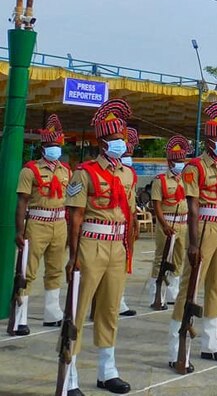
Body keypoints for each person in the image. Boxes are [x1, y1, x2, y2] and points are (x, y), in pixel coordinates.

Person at [64, 99, 136, 395]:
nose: (121, 143)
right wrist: (73, 256)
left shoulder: (128, 174)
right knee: (78, 311)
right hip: (91, 245)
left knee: (109, 310)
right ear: (102, 141)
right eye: (116, 139)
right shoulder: (84, 172)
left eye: (123, 138)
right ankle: (69, 375)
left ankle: (107, 371)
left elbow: (129, 214)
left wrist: (128, 249)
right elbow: (75, 217)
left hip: (116, 246)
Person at [168, 101, 217, 372]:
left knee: (216, 286)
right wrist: (195, 242)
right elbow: (193, 207)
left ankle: (211, 341)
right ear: (209, 139)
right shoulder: (194, 167)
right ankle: (177, 346)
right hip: (205, 226)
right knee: (191, 286)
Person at [10, 114, 69, 336]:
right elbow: (22, 202)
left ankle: (52, 313)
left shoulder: (66, 170)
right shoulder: (30, 170)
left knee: (55, 270)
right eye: (51, 145)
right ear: (44, 146)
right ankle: (20, 318)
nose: (55, 148)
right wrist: (19, 230)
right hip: (37, 222)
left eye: (58, 144)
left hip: (59, 223)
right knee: (27, 271)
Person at [147, 135, 191, 309]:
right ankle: (155, 293)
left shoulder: (186, 179)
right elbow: (156, 205)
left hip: (183, 223)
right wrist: (164, 225)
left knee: (179, 258)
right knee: (161, 258)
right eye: (177, 160)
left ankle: (173, 291)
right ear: (170, 162)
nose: (180, 163)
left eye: (182, 159)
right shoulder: (161, 180)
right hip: (168, 223)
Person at [116, 127, 140, 318]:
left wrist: (135, 222)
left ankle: (119, 299)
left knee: (123, 263)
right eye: (126, 153)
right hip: (104, 226)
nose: (128, 157)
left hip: (124, 225)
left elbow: (131, 203)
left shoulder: (129, 174)